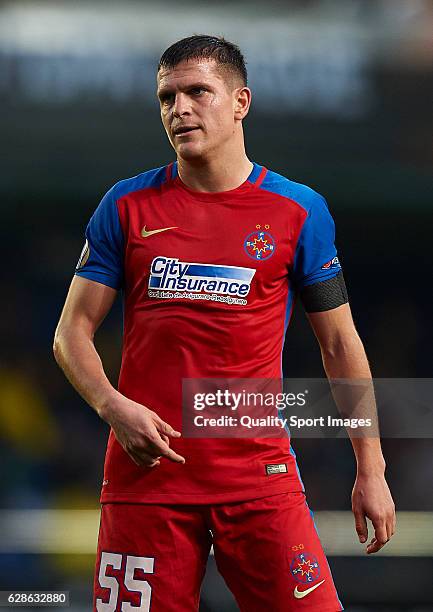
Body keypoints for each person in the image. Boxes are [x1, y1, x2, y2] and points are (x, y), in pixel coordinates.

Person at [53, 35, 395, 612]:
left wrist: (372, 467)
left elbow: (339, 343)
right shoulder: (125, 206)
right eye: (167, 97)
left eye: (196, 92)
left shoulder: (299, 211)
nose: (179, 108)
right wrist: (114, 407)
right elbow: (71, 334)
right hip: (147, 483)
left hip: (258, 478)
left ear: (241, 102)